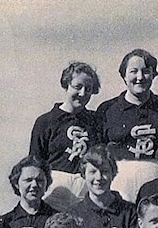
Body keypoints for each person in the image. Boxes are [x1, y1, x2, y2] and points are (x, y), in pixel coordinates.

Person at [96, 48, 158, 203]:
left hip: (156, 176)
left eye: (146, 71)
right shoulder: (107, 109)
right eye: (134, 71)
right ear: (124, 75)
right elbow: (98, 152)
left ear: (154, 74)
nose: (140, 77)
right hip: (119, 178)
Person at [29, 61, 103, 211]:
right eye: (77, 87)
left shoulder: (96, 121)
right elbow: (35, 163)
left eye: (88, 89)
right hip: (55, 189)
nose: (82, 93)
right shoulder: (46, 121)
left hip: (85, 188)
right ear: (66, 85)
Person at [66, 144, 140, 228]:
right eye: (93, 172)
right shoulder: (73, 214)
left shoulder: (130, 212)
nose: (99, 178)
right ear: (84, 175)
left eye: (105, 171)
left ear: (113, 174)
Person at [0, 155, 57, 228]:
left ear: (47, 184)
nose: (34, 185)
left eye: (40, 180)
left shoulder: (56, 220)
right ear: (17, 183)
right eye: (28, 180)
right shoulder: (5, 222)